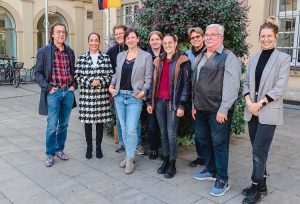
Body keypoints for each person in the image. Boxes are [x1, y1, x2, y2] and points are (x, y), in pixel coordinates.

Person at [241, 17, 290, 204]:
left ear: (276, 36)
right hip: (252, 109)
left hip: (268, 111)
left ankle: (256, 190)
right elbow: (246, 82)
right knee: (257, 149)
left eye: (269, 36)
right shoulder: (254, 58)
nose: (266, 39)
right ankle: (262, 185)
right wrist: (249, 102)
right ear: (259, 37)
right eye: (263, 36)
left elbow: (280, 87)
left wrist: (259, 104)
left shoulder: (283, 59)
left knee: (258, 152)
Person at [192, 24, 241, 196]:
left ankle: (222, 178)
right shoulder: (200, 56)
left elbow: (232, 86)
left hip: (218, 110)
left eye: (213, 35)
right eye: (207, 34)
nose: (209, 37)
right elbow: (195, 82)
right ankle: (211, 170)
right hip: (201, 108)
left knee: (219, 144)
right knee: (203, 140)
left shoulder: (228, 57)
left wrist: (224, 109)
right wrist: (194, 104)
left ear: (221, 38)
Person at [147, 33, 192, 178]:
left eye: (169, 42)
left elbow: (186, 85)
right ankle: (165, 159)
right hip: (159, 101)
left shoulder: (183, 60)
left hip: (173, 103)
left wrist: (182, 105)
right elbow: (153, 83)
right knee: (163, 133)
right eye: (165, 43)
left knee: (171, 133)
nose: (167, 45)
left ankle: (172, 163)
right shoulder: (159, 60)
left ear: (175, 42)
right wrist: (150, 101)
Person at [109, 29, 152, 174]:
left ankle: (129, 160)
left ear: (138, 39)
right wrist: (111, 85)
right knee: (124, 128)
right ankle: (129, 156)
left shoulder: (146, 56)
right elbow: (116, 73)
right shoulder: (121, 55)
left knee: (132, 128)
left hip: (134, 97)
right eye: (128, 38)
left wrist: (143, 92)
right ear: (125, 40)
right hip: (120, 96)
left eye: (133, 37)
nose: (130, 40)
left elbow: (148, 78)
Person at [35, 22, 77, 167]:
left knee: (64, 124)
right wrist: (48, 88)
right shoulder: (44, 51)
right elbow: (38, 72)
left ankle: (60, 149)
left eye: (63, 32)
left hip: (68, 92)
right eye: (58, 32)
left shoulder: (69, 51)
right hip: (53, 93)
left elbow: (74, 71)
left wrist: (74, 86)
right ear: (52, 34)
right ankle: (50, 153)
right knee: (52, 125)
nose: (61, 34)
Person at [107, 25, 145, 155]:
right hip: (118, 91)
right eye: (116, 34)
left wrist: (142, 91)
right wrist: (111, 87)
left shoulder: (140, 53)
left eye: (121, 33)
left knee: (134, 121)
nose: (119, 36)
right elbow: (113, 72)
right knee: (119, 120)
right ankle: (123, 143)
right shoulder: (112, 52)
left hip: (133, 93)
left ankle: (137, 142)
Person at [74, 32, 113, 159]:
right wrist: (90, 82)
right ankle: (89, 147)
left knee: (100, 123)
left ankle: (98, 147)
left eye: (96, 40)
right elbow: (77, 76)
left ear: (99, 42)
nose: (94, 43)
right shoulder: (82, 58)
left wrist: (100, 81)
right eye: (91, 40)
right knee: (88, 123)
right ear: (88, 42)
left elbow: (111, 76)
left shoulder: (105, 58)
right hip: (87, 97)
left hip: (101, 96)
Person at [186, 27, 205, 167]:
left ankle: (210, 158)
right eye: (193, 38)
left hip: (208, 98)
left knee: (208, 132)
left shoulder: (210, 52)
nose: (196, 39)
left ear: (203, 37)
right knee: (197, 132)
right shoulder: (187, 55)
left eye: (198, 36)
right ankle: (200, 156)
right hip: (193, 99)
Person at [146, 31, 164, 160]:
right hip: (150, 96)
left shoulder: (167, 54)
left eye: (157, 39)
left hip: (163, 95)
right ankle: (153, 149)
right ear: (149, 42)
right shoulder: (145, 56)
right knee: (151, 124)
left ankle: (165, 151)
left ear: (161, 40)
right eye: (152, 39)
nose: (155, 41)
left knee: (164, 125)